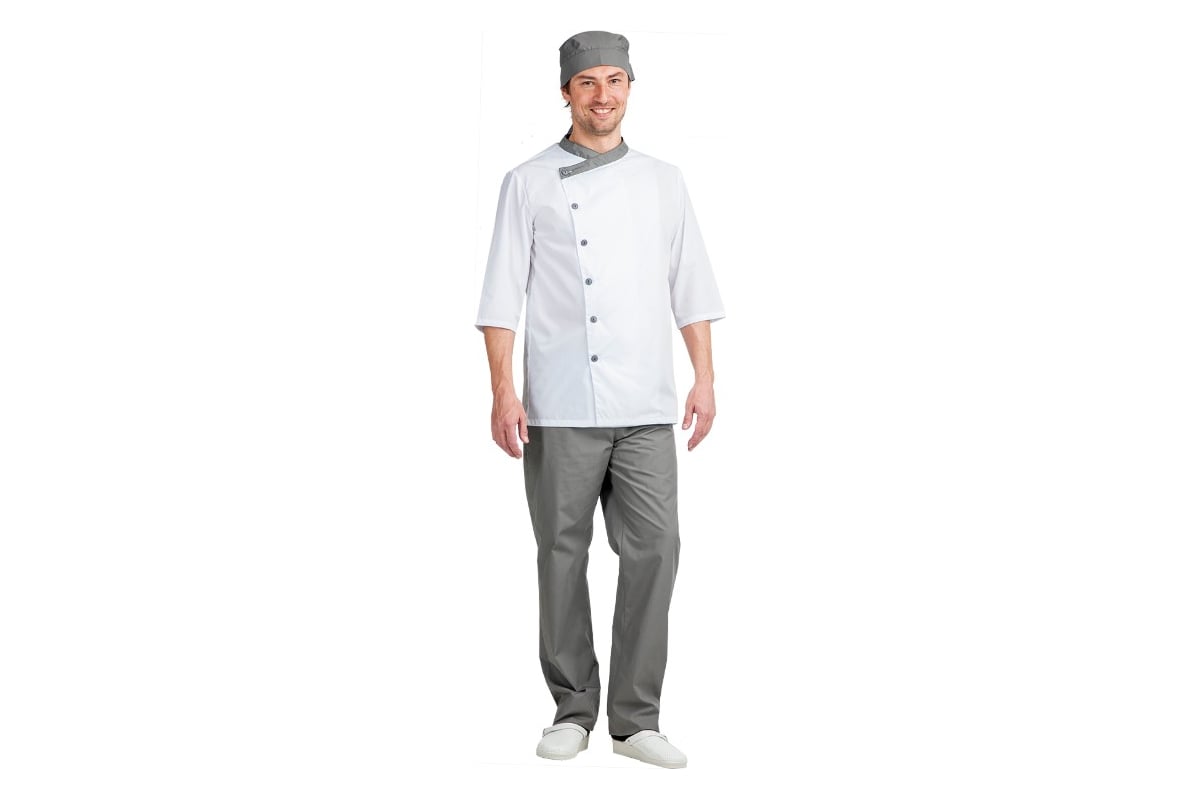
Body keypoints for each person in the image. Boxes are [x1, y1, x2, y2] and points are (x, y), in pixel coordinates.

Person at [475, 30, 724, 770]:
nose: (602, 95)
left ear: (630, 88)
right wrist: (502, 392)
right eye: (587, 82)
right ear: (566, 92)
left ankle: (635, 719)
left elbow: (691, 285)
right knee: (561, 554)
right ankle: (572, 709)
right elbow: (500, 298)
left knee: (657, 550)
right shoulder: (526, 181)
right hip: (557, 403)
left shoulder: (664, 180)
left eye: (615, 80)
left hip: (646, 401)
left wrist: (705, 378)